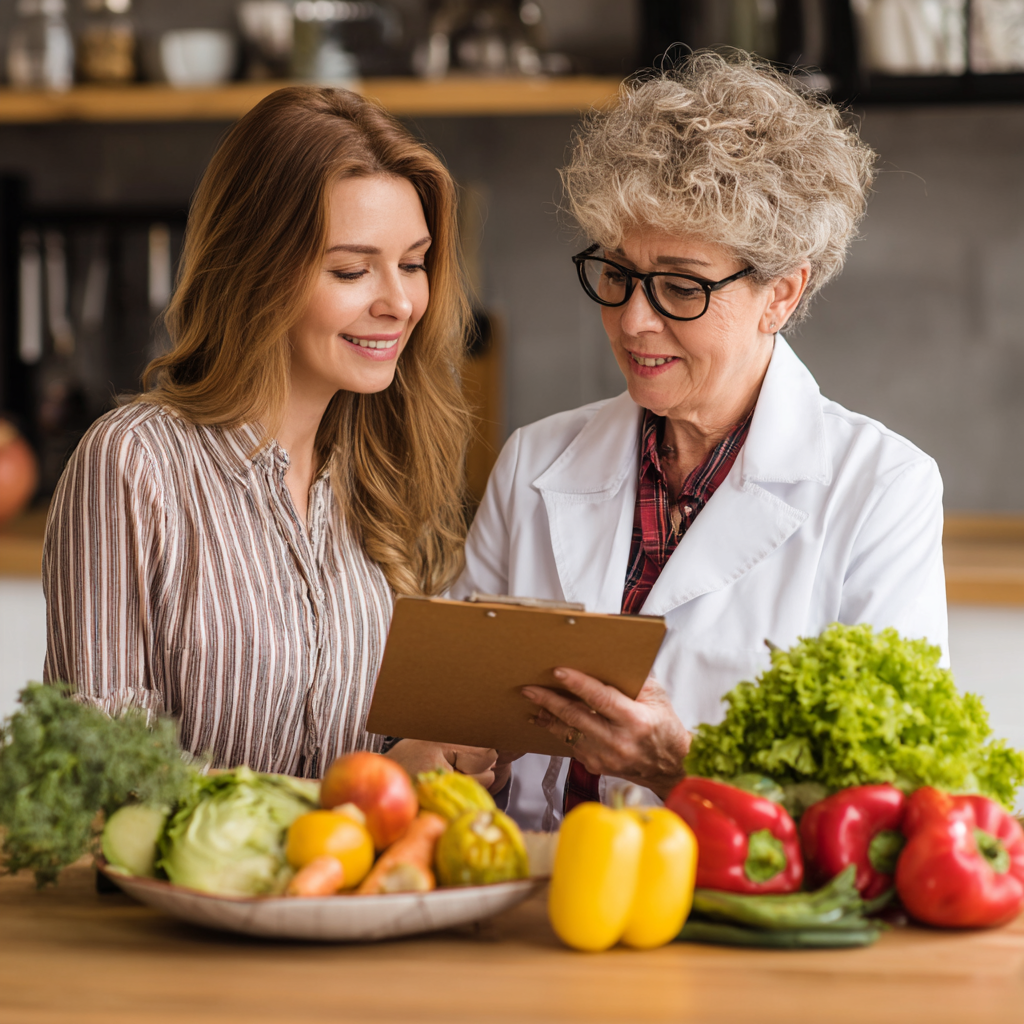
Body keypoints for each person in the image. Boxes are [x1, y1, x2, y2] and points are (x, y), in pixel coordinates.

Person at [453, 53, 948, 830]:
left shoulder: (882, 488)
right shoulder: (534, 462)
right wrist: (456, 755)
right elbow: (455, 715)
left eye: (681, 287)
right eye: (617, 274)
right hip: (533, 887)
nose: (633, 320)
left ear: (781, 294)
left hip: (722, 895)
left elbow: (885, 807)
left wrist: (677, 767)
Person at [43, 86, 508, 791]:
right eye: (351, 270)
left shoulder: (382, 471)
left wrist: (437, 756)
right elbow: (105, 773)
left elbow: (382, 750)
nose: (400, 302)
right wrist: (357, 789)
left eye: (413, 263)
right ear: (256, 270)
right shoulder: (133, 463)